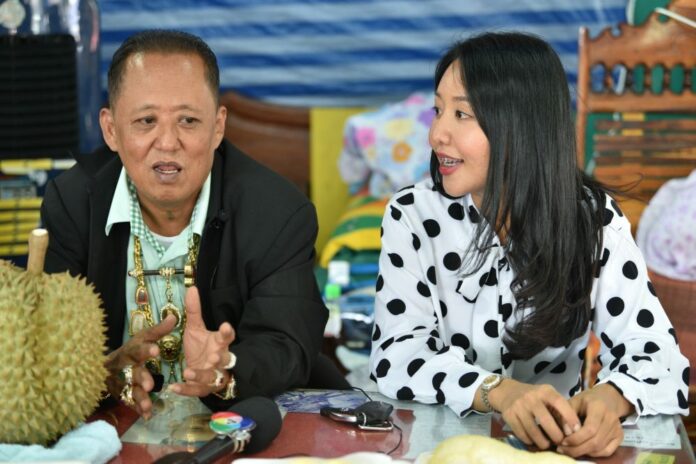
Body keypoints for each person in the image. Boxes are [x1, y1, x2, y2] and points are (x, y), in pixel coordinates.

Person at [369, 32, 689, 459]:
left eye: (461, 114)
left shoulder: (593, 219)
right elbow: (396, 356)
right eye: (438, 110)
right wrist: (498, 392)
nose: (436, 134)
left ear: (520, 124)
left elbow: (660, 360)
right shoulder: (411, 215)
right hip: (441, 450)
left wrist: (611, 400)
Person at [40, 30, 330, 419]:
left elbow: (286, 342)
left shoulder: (277, 212)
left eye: (188, 120)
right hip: (112, 422)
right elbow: (47, 347)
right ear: (111, 130)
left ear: (218, 127)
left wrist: (225, 369)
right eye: (146, 120)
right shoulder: (72, 205)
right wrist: (102, 371)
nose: (167, 142)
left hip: (237, 425)